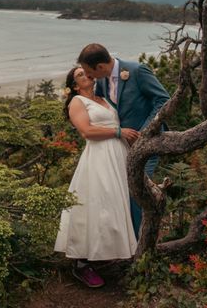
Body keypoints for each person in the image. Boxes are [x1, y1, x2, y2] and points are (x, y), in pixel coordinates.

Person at [54, 66, 140, 288]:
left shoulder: (104, 98)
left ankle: (114, 251)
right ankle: (82, 263)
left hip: (119, 154)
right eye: (80, 75)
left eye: (86, 71)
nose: (86, 75)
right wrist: (119, 132)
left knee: (118, 204)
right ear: (74, 86)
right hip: (99, 157)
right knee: (97, 204)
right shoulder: (77, 102)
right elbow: (87, 132)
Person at [77, 43, 170, 238]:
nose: (89, 77)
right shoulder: (101, 81)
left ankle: (140, 243)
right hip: (121, 147)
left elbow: (163, 100)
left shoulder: (137, 71)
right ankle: (126, 241)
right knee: (119, 192)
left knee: (136, 190)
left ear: (100, 67)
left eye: (88, 72)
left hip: (148, 143)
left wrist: (145, 132)